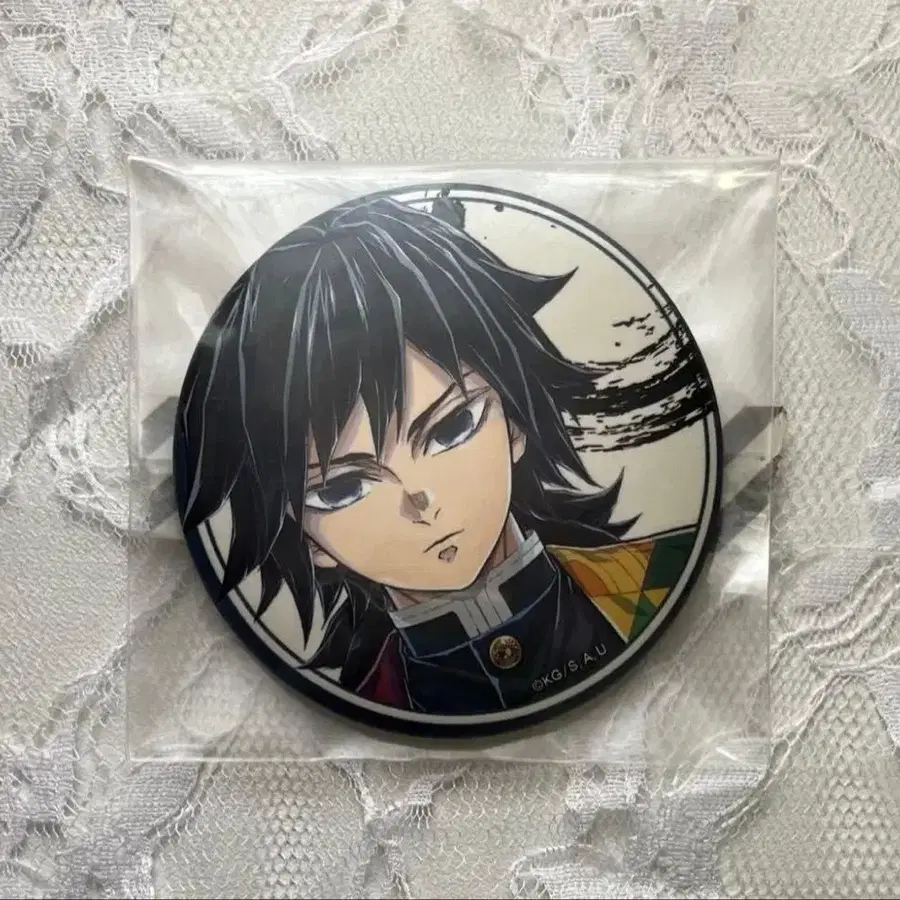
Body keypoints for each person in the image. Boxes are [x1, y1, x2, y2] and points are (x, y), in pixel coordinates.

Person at [177, 195, 697, 715]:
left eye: (452, 427)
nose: (419, 501)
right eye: (342, 489)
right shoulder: (354, 704)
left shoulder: (662, 579)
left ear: (514, 424)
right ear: (306, 538)